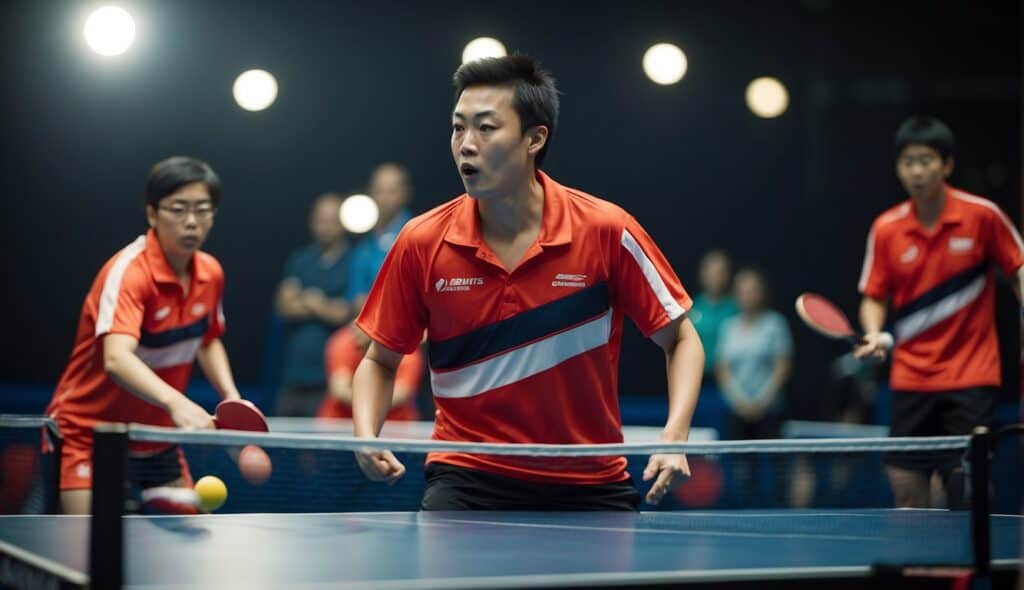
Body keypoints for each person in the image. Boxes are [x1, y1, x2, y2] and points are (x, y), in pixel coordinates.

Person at [351, 54, 704, 511]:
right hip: (468, 475)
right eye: (458, 128)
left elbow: (682, 339)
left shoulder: (605, 230)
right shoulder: (423, 240)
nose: (466, 144)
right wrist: (363, 434)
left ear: (535, 138)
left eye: (486, 127)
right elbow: (380, 359)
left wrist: (675, 437)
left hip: (589, 477)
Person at [45, 156, 243, 514]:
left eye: (203, 210)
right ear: (152, 214)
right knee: (86, 554)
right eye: (178, 209)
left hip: (158, 437)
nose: (192, 222)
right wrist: (178, 403)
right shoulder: (129, 273)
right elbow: (116, 358)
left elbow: (208, 339)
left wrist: (231, 398)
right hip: (90, 432)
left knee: (186, 545)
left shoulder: (210, 273)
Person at [854, 115, 1024, 508]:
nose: (917, 171)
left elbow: (1017, 270)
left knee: (965, 485)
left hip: (972, 375)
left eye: (926, 160)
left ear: (946, 165)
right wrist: (875, 331)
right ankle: (921, 568)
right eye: (908, 161)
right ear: (898, 168)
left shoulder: (982, 215)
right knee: (905, 486)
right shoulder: (887, 229)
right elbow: (874, 295)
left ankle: (969, 567)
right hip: (913, 378)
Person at [716, 269, 793, 506]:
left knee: (777, 469)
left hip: (769, 410)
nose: (748, 295)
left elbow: (783, 366)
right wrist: (739, 401)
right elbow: (723, 369)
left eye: (752, 289)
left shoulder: (775, 324)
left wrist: (762, 400)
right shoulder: (728, 327)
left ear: (762, 293)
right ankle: (743, 508)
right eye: (743, 290)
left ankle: (780, 508)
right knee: (742, 470)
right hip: (737, 411)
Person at [274, 194, 353, 417]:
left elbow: (344, 313)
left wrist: (310, 300)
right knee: (281, 446)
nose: (325, 227)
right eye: (320, 220)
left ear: (342, 223)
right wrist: (324, 305)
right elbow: (284, 306)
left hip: (331, 379)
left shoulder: (353, 261)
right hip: (293, 375)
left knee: (322, 450)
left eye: (331, 220)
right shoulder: (300, 260)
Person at [317, 325, 423, 421]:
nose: (357, 332)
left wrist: (363, 405)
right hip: (341, 422)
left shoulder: (407, 351)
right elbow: (340, 389)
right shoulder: (343, 342)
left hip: (396, 425)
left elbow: (401, 394)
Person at [348, 163, 415, 312]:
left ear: (406, 193)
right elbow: (356, 297)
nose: (384, 198)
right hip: (366, 323)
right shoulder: (363, 245)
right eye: (379, 191)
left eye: (391, 191)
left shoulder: (418, 235)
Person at [689, 250, 739, 434]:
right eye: (711, 271)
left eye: (721, 272)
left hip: (734, 383)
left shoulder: (737, 307)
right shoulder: (690, 308)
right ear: (702, 274)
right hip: (699, 382)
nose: (716, 277)